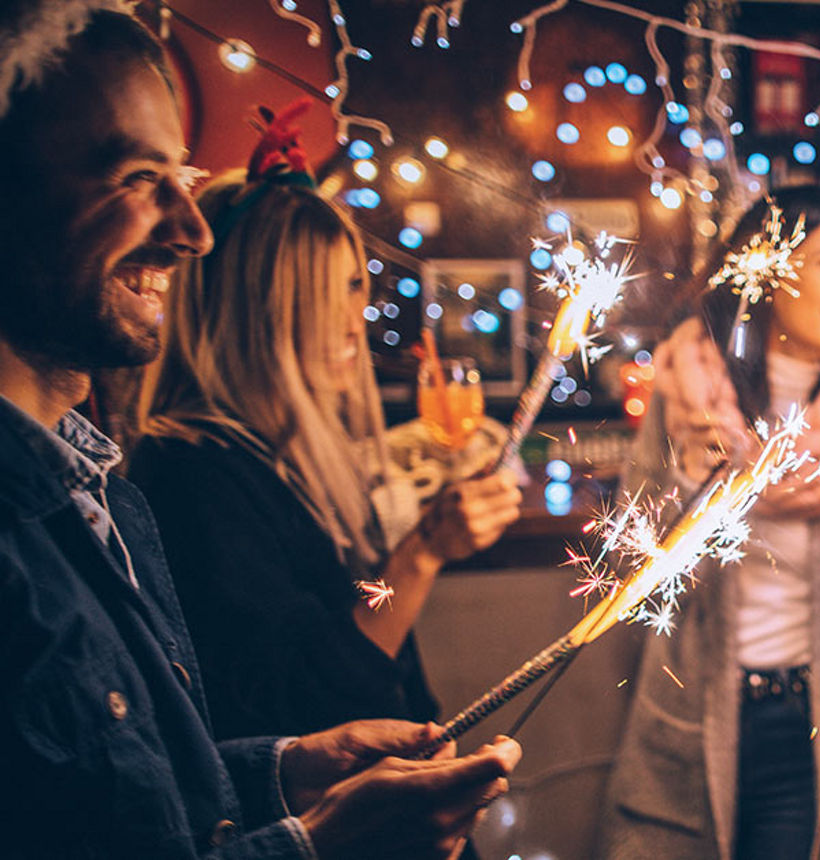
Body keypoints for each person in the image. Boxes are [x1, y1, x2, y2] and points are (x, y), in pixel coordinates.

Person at [0, 4, 518, 856]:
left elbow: (137, 791)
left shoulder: (105, 495)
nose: (191, 231)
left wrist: (280, 771)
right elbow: (299, 676)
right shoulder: (187, 470)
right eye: (136, 176)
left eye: (184, 179)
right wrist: (319, 842)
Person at [128, 104, 521, 741]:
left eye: (350, 286)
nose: (349, 321)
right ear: (245, 311)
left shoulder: (300, 454)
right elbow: (292, 701)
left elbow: (360, 613)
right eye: (317, 293)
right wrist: (420, 555)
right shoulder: (190, 472)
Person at [600, 186, 820, 860]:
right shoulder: (688, 397)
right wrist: (686, 490)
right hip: (692, 727)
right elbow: (626, 585)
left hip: (818, 729)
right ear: (766, 270)